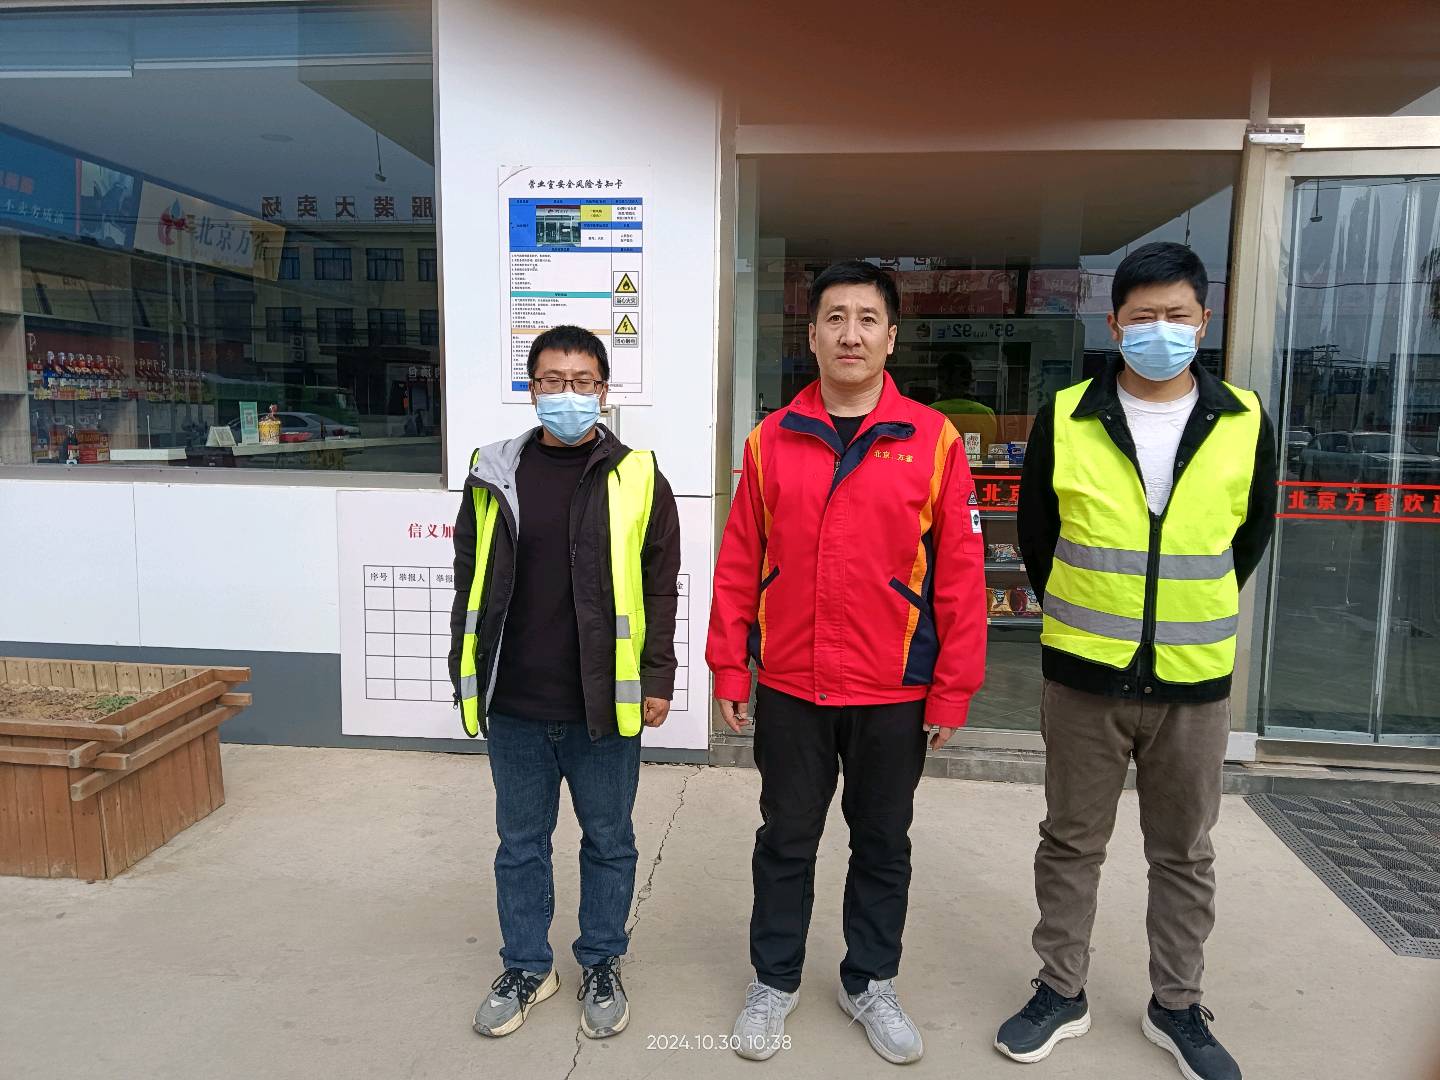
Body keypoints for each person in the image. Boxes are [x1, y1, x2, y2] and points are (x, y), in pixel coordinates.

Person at [996, 242, 1277, 1080]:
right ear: (1114, 325)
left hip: (1194, 682)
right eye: (1143, 316)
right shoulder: (1067, 414)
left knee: (1184, 852)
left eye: (1176, 316)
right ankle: (1060, 990)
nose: (1161, 330)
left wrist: (1182, 616)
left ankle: (1177, 1004)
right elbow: (1038, 537)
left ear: (1204, 321)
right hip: (1085, 674)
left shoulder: (1244, 420)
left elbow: (1248, 539)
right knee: (1070, 841)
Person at [707, 260, 988, 1065]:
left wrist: (952, 689)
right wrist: (732, 665)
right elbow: (740, 560)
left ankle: (870, 980)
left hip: (893, 688)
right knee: (786, 839)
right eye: (835, 318)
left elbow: (961, 575)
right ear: (812, 336)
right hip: (792, 685)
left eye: (867, 319)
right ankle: (774, 980)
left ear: (891, 337)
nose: (851, 334)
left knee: (883, 842)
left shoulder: (933, 441)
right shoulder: (770, 440)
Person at [449, 324, 681, 1043]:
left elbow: (660, 586)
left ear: (604, 390)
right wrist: (466, 668)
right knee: (520, 844)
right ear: (532, 389)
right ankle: (526, 966)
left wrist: (659, 675)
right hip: (515, 701)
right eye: (553, 381)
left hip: (602, 704)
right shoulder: (493, 473)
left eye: (582, 382)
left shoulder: (638, 476)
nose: (568, 394)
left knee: (609, 840)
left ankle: (601, 961)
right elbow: (469, 579)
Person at [932, 354, 998, 450]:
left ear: (941, 379)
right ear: (969, 380)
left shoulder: (930, 412)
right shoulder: (986, 412)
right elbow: (987, 449)